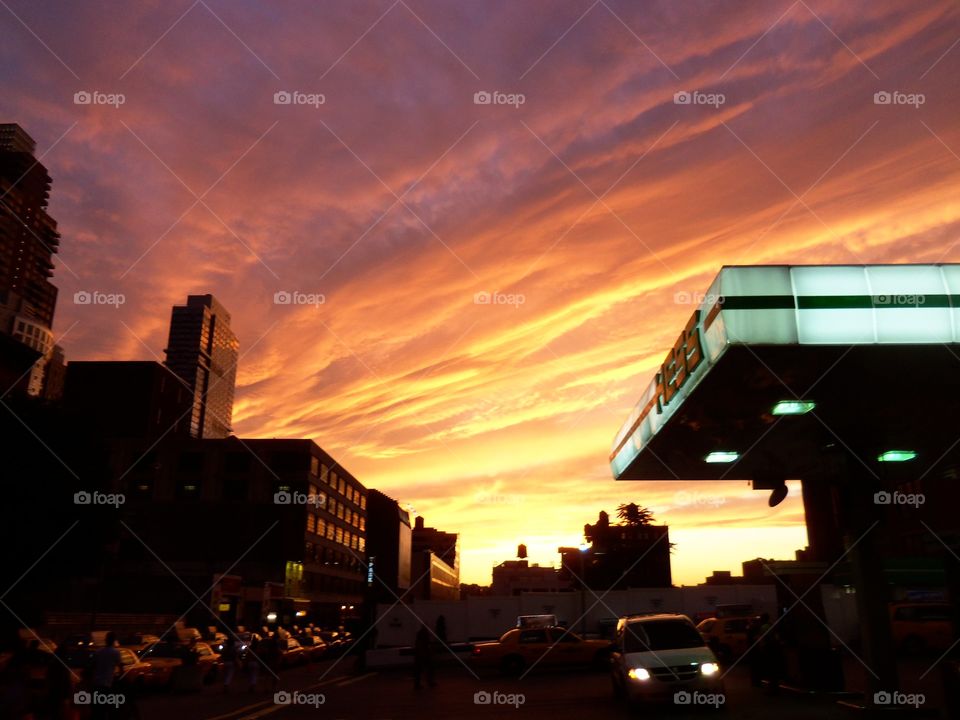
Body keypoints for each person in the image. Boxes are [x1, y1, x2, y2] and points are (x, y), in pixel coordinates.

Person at [91, 632, 122, 719]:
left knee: (96, 709)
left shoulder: (98, 652)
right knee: (107, 708)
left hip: (96, 684)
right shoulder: (116, 653)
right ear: (113, 641)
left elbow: (93, 665)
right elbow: (120, 667)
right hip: (107, 685)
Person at [412, 625, 435, 689]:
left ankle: (418, 684)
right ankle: (429, 682)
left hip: (421, 655)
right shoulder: (424, 635)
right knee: (426, 669)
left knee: (419, 670)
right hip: (423, 655)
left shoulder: (421, 635)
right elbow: (424, 645)